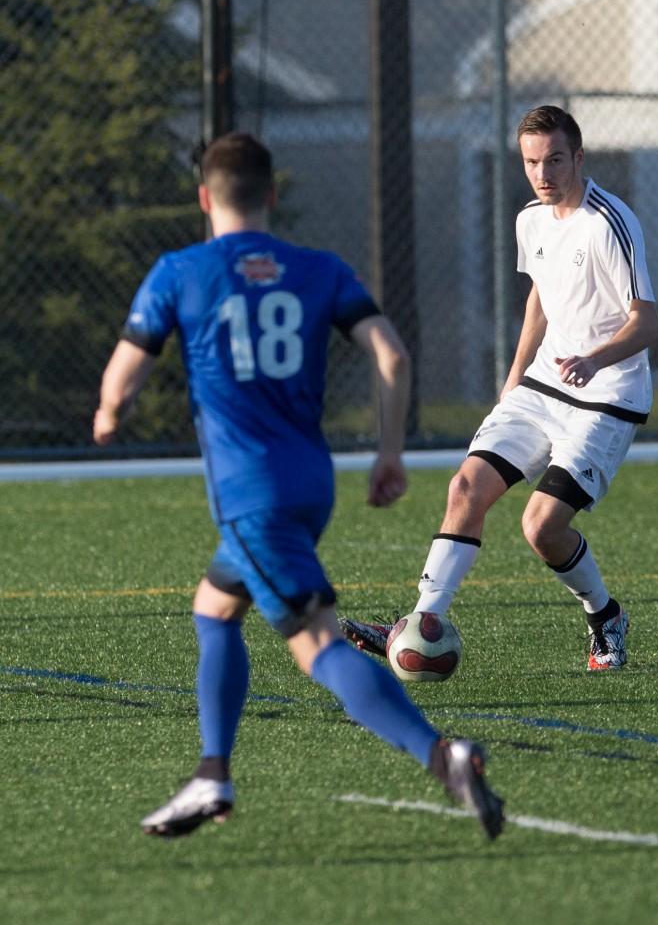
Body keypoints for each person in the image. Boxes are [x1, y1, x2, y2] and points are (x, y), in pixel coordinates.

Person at [93, 132, 504, 840]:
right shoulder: (318, 269)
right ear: (271, 196)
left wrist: (108, 412)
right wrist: (389, 454)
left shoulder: (180, 271)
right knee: (214, 609)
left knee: (318, 647)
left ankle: (443, 756)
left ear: (203, 198)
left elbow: (124, 375)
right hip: (310, 484)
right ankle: (210, 774)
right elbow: (392, 354)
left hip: (252, 496)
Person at [342, 105, 658, 673]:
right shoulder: (530, 220)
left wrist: (593, 358)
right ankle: (422, 622)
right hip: (542, 386)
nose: (544, 174)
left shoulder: (610, 222)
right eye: (532, 162)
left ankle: (605, 616)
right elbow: (540, 295)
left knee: (541, 527)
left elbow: (648, 322)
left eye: (556, 160)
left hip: (607, 394)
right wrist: (514, 379)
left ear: (579, 158)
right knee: (466, 486)